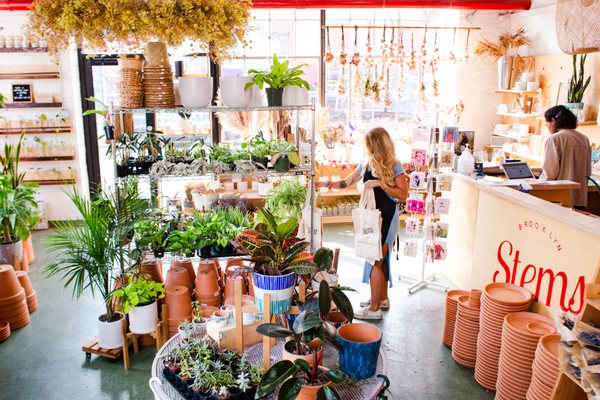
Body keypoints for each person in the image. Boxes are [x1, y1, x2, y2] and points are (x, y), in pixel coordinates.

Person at [317, 127, 408, 320]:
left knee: (376, 260)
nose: (366, 148)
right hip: (373, 218)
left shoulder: (394, 165)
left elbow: (402, 194)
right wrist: (324, 184)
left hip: (387, 217)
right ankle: (381, 299)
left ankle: (374, 309)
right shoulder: (366, 164)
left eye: (368, 144)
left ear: (375, 145)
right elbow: (346, 182)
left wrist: (382, 184)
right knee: (380, 260)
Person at [541, 105, 592, 209]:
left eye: (547, 124)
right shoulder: (584, 139)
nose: (548, 128)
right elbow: (588, 170)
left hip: (560, 197)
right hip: (580, 198)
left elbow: (550, 173)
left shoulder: (554, 139)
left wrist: (537, 183)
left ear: (553, 120)